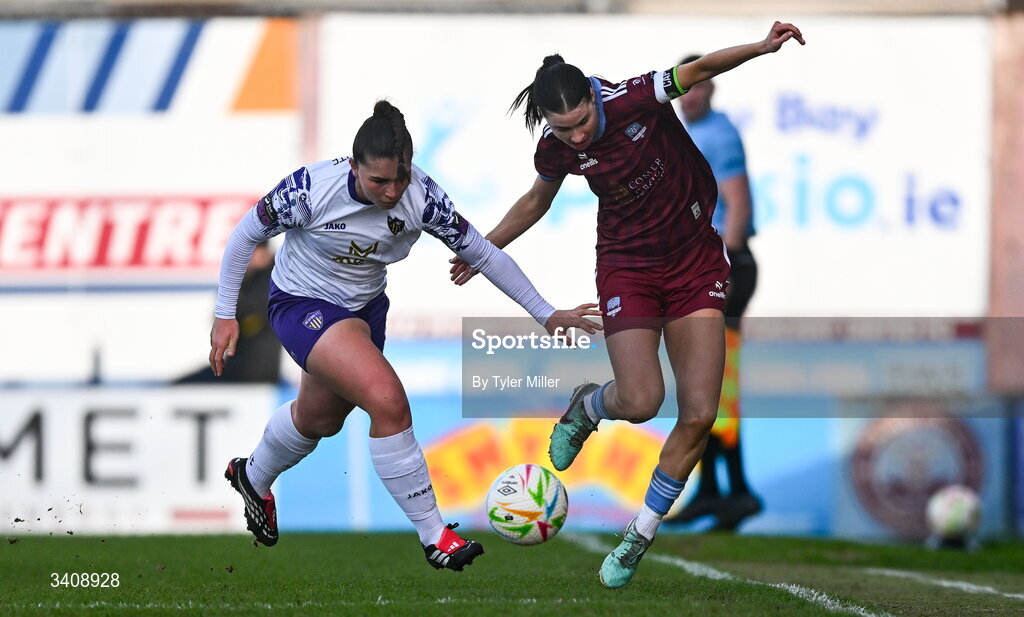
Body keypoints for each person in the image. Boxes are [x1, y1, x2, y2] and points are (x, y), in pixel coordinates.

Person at [450, 22, 803, 587]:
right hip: (628, 267)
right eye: (564, 130)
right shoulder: (557, 147)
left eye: (583, 121)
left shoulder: (637, 96)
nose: (579, 137)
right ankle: (588, 408)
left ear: (593, 95)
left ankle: (639, 535)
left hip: (696, 264)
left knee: (699, 415)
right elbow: (536, 201)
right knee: (641, 401)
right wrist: (484, 249)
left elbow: (701, 69)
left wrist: (761, 48)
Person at [210, 100, 600, 572]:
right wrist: (224, 313)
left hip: (366, 309)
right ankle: (435, 536)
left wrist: (545, 313)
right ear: (353, 167)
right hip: (301, 304)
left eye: (400, 178)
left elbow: (484, 253)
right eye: (379, 181)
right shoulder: (309, 190)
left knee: (319, 420)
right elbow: (244, 235)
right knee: (387, 399)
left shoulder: (423, 197)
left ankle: (253, 476)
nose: (393, 191)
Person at [662, 54, 762, 531]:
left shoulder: (718, 135)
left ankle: (729, 491)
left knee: (716, 386)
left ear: (710, 89)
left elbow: (737, 199)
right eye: (684, 89)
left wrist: (732, 261)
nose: (690, 96)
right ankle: (720, 491)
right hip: (701, 269)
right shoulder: (689, 134)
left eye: (698, 87)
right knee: (708, 384)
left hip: (721, 269)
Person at [177, 241, 280, 384]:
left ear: (263, 252)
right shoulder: (251, 279)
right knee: (183, 385)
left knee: (184, 386)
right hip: (239, 368)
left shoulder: (271, 281)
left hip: (253, 372)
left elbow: (238, 314)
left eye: (248, 253)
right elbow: (220, 318)